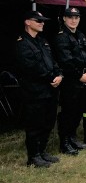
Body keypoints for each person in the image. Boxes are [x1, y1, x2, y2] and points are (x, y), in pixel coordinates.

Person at [16, 10, 63, 167]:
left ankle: (42, 151)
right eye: (38, 20)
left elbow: (53, 61)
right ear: (27, 22)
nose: (42, 23)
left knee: (47, 122)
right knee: (34, 124)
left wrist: (59, 75)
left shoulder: (43, 41)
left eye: (43, 21)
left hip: (50, 90)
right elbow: (30, 67)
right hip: (35, 91)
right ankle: (33, 157)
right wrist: (50, 78)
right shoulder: (22, 43)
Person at [53, 5, 86, 155]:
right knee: (68, 112)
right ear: (64, 18)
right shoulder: (61, 37)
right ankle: (64, 143)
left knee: (78, 111)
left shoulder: (80, 35)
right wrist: (80, 76)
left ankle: (72, 138)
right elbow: (66, 61)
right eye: (70, 17)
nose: (73, 20)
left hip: (84, 80)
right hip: (70, 81)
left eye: (76, 17)